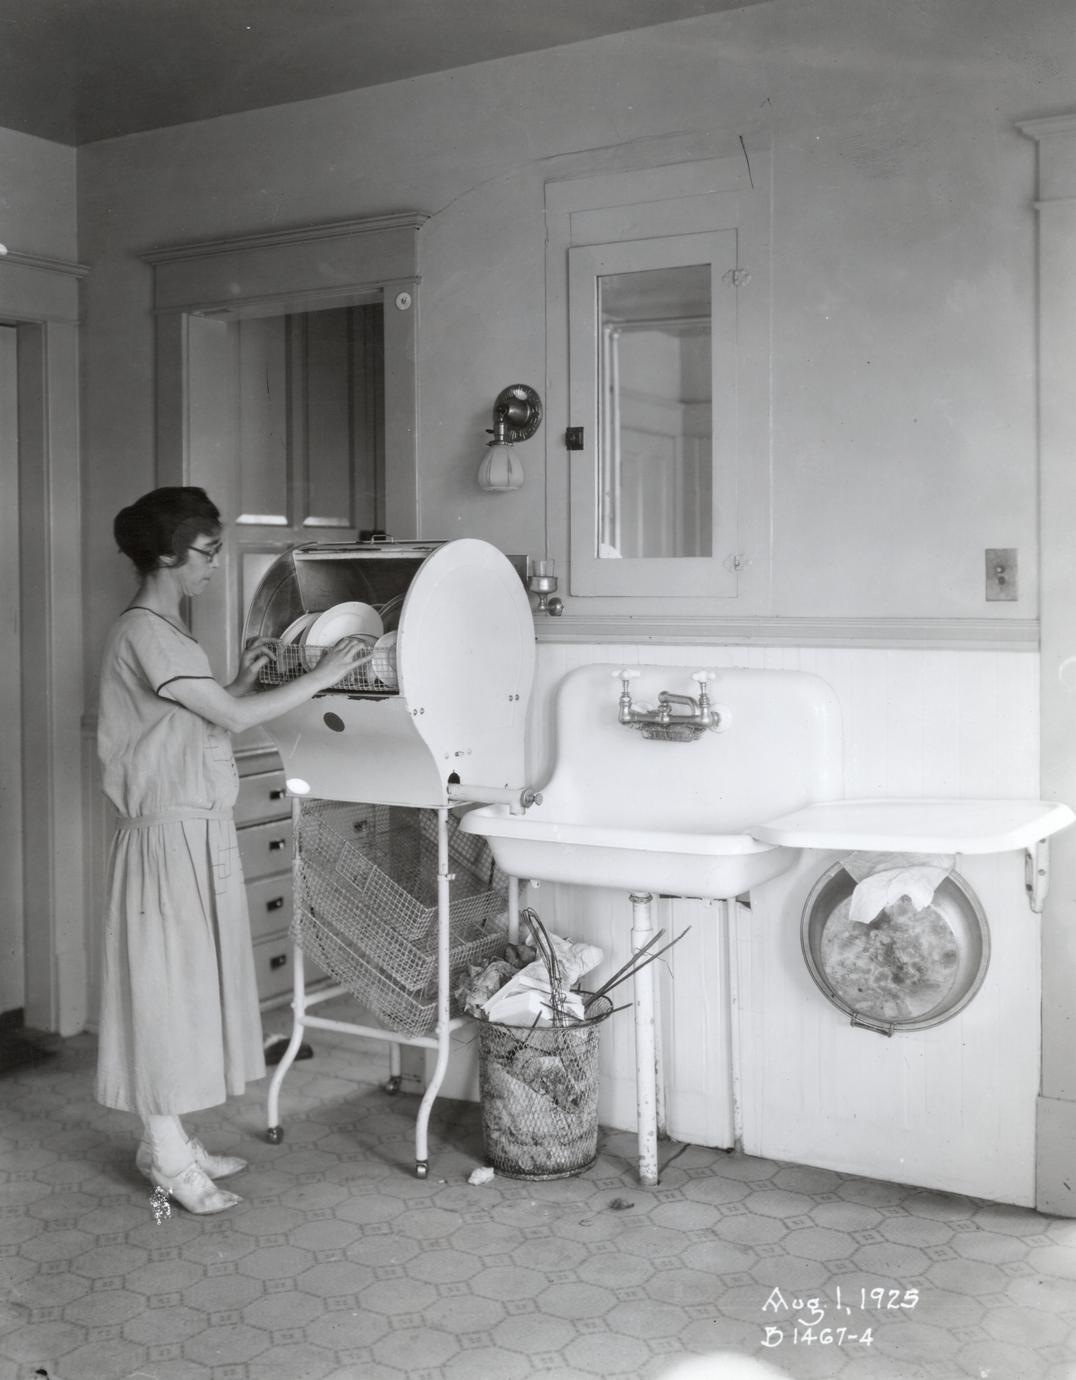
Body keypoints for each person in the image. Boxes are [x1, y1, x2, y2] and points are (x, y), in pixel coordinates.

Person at [95, 486, 368, 1214]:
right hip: (165, 838)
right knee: (164, 995)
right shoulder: (148, 632)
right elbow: (235, 719)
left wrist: (239, 682)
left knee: (185, 992)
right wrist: (323, 675)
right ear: (166, 555)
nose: (215, 566)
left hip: (191, 830)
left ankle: (168, 1140)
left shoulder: (166, 633)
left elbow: (189, 720)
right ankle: (166, 1155)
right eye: (207, 553)